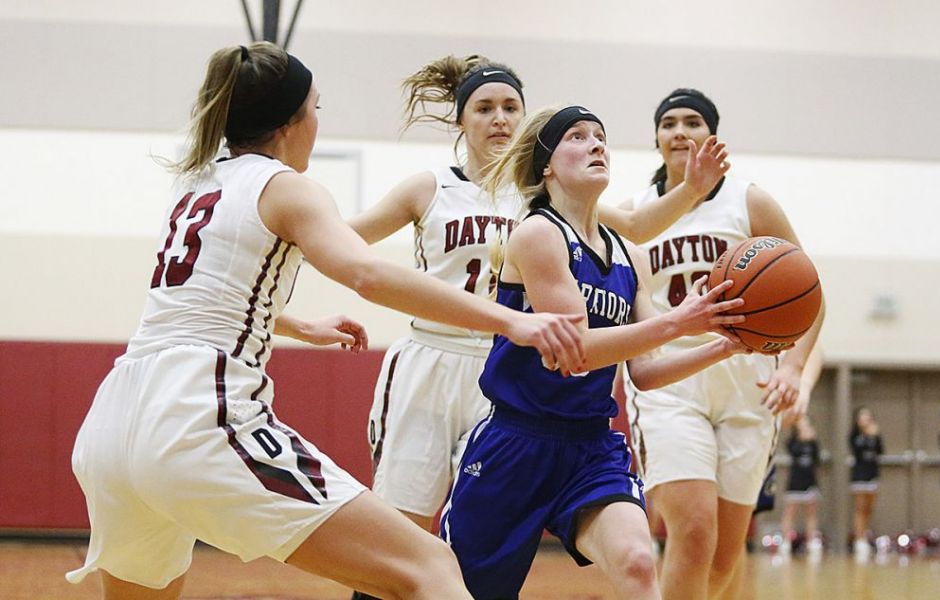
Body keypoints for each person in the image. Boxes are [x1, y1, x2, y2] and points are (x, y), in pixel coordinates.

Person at [65, 42, 590, 600]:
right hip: (197, 414)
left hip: (110, 426)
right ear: (291, 122)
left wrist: (297, 326)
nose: (319, 120)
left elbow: (200, 301)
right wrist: (514, 323)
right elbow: (365, 272)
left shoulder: (198, 185)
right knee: (430, 568)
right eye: (317, 108)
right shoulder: (287, 187)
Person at [347, 55, 732, 543]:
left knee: (473, 537)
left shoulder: (540, 196)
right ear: (461, 121)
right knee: (400, 530)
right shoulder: (431, 186)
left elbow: (636, 227)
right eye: (484, 108)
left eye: (511, 107)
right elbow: (341, 240)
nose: (500, 118)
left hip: (503, 368)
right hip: (431, 360)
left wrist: (692, 192)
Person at [439, 104, 756, 600]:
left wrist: (722, 344)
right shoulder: (538, 234)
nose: (596, 145)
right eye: (578, 137)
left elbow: (646, 371)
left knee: (636, 562)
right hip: (514, 444)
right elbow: (576, 352)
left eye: (601, 137)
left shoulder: (625, 254)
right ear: (546, 164)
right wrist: (678, 321)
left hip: (590, 446)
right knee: (468, 590)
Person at [600, 88, 826, 600]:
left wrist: (792, 370)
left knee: (724, 555)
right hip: (669, 383)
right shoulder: (633, 214)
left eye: (693, 122)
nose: (680, 131)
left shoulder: (749, 201)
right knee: (694, 531)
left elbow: (811, 296)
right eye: (668, 123)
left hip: (747, 385)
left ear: (712, 137)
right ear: (657, 140)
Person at [779, 415, 822, 556]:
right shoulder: (793, 441)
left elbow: (817, 459)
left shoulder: (813, 442)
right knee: (790, 512)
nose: (804, 425)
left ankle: (812, 541)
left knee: (811, 513)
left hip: (810, 481)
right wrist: (802, 439)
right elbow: (792, 451)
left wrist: (813, 441)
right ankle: (785, 542)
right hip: (795, 481)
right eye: (801, 423)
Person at [851, 405, 884, 562]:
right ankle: (859, 540)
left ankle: (866, 535)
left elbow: (881, 451)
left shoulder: (875, 434)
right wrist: (865, 435)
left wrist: (875, 436)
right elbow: (855, 449)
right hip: (859, 475)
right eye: (861, 417)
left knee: (869, 508)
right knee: (860, 508)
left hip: (872, 474)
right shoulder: (855, 435)